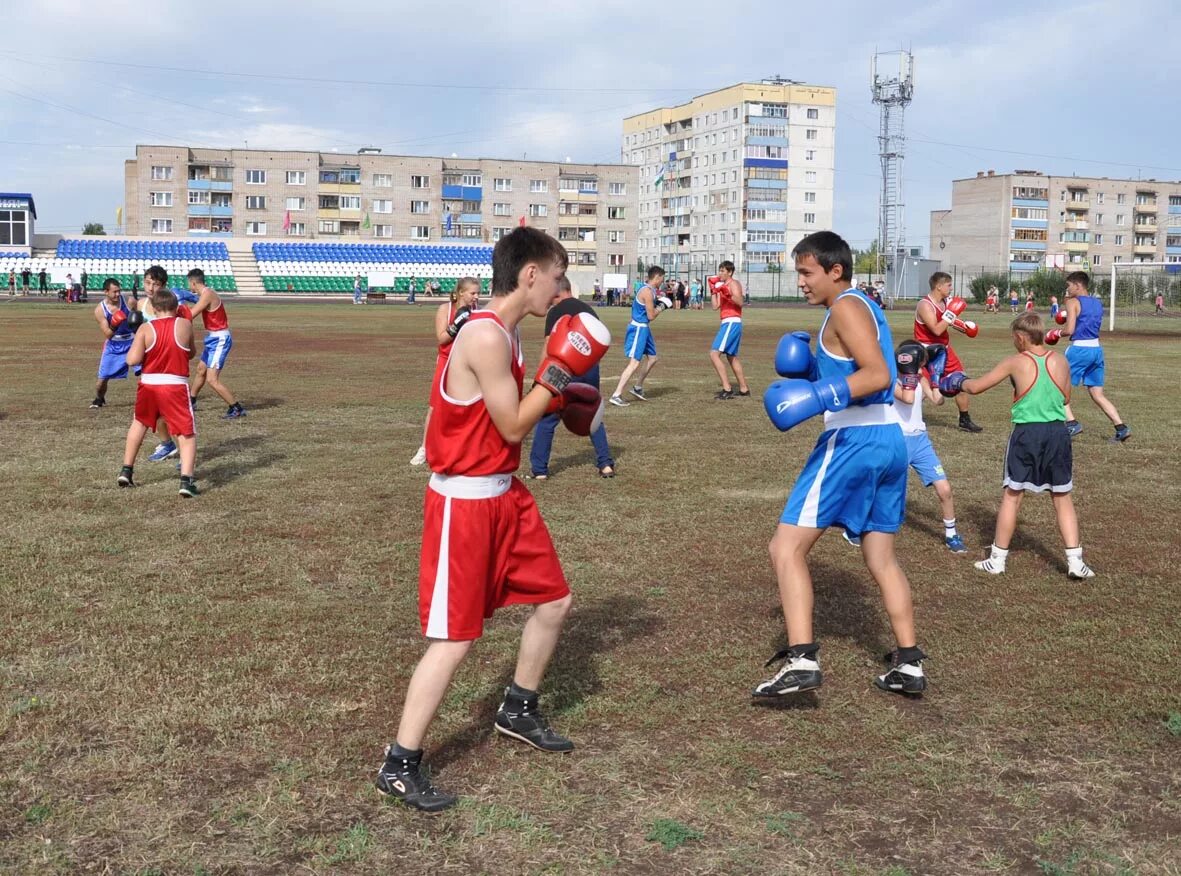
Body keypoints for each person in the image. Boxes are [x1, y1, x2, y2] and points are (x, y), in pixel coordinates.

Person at [373, 226, 611, 812]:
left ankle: (517, 707)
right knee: (454, 640)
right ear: (530, 273)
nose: (561, 290)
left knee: (553, 601)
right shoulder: (483, 336)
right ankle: (399, 763)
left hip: (505, 495)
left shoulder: (505, 332)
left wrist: (558, 387)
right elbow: (511, 426)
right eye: (556, 277)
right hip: (466, 502)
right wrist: (559, 377)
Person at [757, 230, 927, 699]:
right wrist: (814, 369)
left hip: (854, 439)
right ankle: (909, 664)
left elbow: (878, 374)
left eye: (807, 273)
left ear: (836, 271)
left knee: (784, 548)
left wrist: (816, 394)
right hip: (890, 438)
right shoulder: (866, 306)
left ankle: (802, 659)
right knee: (880, 556)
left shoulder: (846, 307)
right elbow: (863, 371)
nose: (801, 283)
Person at [940, 312, 1094, 579]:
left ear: (1021, 337)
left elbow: (976, 388)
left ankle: (997, 560)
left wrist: (957, 381)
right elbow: (1066, 396)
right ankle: (1075, 561)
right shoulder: (1060, 360)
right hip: (1058, 433)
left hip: (1027, 433)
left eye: (1014, 337)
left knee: (1012, 495)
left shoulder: (1016, 361)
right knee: (1062, 497)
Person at [864, 341, 967, 553]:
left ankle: (951, 533)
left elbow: (937, 401)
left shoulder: (921, 379)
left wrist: (939, 379)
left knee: (945, 489)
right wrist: (913, 375)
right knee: (877, 487)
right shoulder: (890, 381)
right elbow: (908, 399)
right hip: (896, 440)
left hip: (920, 441)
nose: (921, 368)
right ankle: (857, 525)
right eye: (920, 363)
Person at [527, 277, 615, 479]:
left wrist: (539, 379)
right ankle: (605, 464)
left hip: (563, 368)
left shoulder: (556, 311)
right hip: (589, 367)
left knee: (548, 417)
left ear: (557, 291)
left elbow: (549, 347)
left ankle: (539, 469)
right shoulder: (588, 310)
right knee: (591, 414)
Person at [117, 287, 199, 498]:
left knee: (139, 423)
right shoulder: (185, 325)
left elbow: (132, 360)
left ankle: (127, 469)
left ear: (153, 308)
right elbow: (190, 353)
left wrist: (138, 338)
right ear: (176, 307)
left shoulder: (145, 328)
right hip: (174, 384)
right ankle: (186, 480)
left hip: (149, 384)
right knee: (185, 432)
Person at [1045, 271, 1130, 442]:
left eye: (1069, 285)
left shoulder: (1073, 302)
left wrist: (1055, 333)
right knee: (1097, 394)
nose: (1067, 289)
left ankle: (1071, 424)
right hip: (1096, 350)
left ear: (1077, 285)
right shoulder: (1097, 303)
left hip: (1079, 350)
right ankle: (1121, 427)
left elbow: (1069, 330)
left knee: (1056, 387)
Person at [409, 277, 481, 465]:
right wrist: (456, 323)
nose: (476, 297)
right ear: (461, 293)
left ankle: (462, 448)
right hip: (446, 361)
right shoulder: (445, 309)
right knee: (435, 406)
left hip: (467, 364)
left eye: (478, 293)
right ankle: (424, 448)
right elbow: (441, 339)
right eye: (473, 293)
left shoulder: (477, 312)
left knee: (467, 406)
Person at [914, 272, 984, 433]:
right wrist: (952, 313)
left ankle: (964, 419)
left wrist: (965, 328)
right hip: (927, 352)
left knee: (960, 380)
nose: (951, 289)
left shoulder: (945, 302)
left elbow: (948, 322)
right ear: (939, 286)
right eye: (949, 285)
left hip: (944, 349)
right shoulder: (925, 305)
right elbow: (937, 330)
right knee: (923, 389)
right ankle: (906, 416)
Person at [608, 266, 672, 407]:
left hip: (644, 328)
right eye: (662, 278)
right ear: (657, 277)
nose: (662, 281)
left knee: (653, 358)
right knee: (634, 363)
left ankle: (637, 387)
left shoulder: (649, 290)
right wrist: (662, 307)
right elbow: (651, 315)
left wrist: (659, 302)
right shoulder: (647, 292)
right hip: (638, 328)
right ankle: (616, 394)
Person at [186, 268, 245, 420]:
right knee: (201, 370)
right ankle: (191, 401)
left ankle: (236, 408)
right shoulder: (206, 293)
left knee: (212, 379)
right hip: (213, 337)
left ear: (193, 283)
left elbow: (191, 315)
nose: (189, 287)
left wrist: (175, 306)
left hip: (220, 338)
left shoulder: (207, 295)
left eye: (189, 284)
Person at [90, 278, 138, 409]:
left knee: (146, 372)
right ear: (106, 292)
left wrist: (137, 320)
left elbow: (141, 316)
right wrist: (115, 323)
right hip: (114, 345)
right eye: (114, 292)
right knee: (102, 381)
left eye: (119, 291)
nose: (118, 294)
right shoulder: (100, 310)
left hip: (133, 342)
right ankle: (99, 399)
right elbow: (108, 334)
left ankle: (153, 399)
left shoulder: (129, 301)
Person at [708, 261, 751, 400]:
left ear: (730, 272)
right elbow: (715, 307)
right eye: (719, 270)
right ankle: (744, 389)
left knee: (714, 354)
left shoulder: (734, 284)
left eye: (722, 271)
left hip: (732, 321)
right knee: (731, 357)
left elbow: (740, 302)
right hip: (727, 322)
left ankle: (727, 388)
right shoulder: (722, 286)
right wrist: (713, 290)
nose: (720, 273)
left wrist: (727, 293)